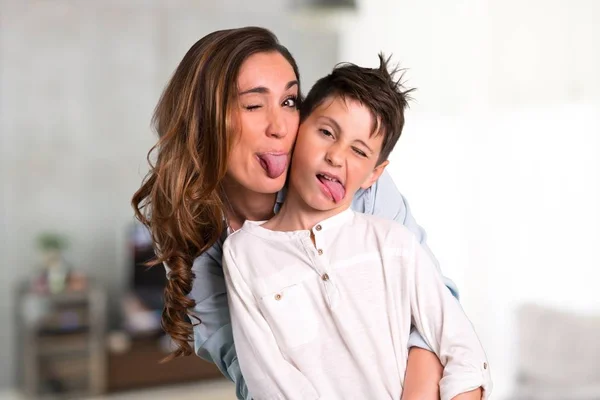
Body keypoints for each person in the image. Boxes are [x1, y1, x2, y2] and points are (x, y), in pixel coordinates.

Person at [132, 26, 459, 399]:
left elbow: (437, 313)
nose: (280, 126)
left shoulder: (351, 184)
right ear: (204, 121)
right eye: (254, 105)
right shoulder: (202, 242)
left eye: (289, 102)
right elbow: (255, 375)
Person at [222, 55, 492, 400]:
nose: (336, 156)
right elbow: (268, 380)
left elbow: (464, 353)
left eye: (359, 151)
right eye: (325, 133)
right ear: (298, 130)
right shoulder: (243, 253)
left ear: (374, 175)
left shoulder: (393, 243)